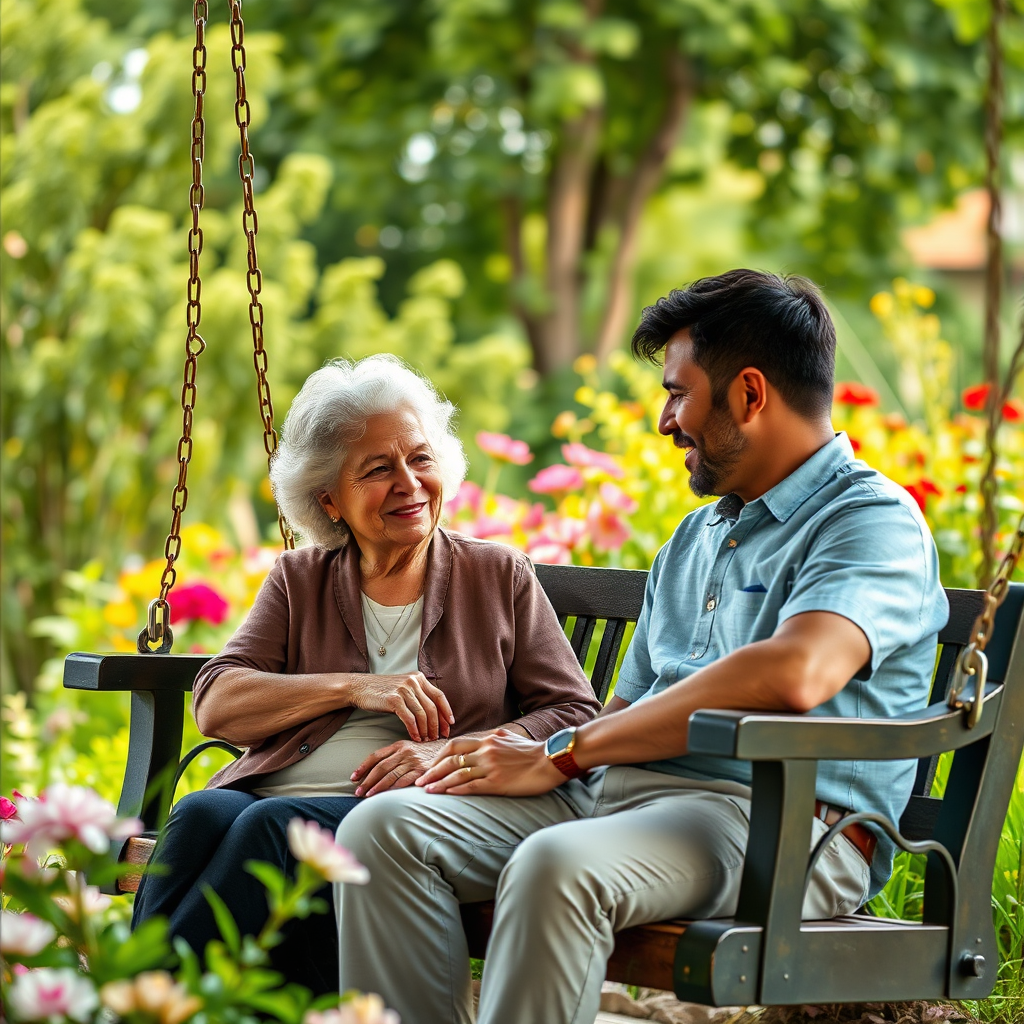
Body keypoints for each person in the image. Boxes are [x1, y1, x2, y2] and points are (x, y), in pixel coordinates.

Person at [334, 270, 950, 1024]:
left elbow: (798, 670)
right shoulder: (697, 536)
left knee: (558, 867)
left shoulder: (869, 519)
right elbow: (628, 704)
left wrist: (564, 753)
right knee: (380, 831)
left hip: (778, 826)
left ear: (750, 395)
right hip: (622, 799)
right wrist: (524, 760)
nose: (665, 419)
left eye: (678, 392)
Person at [131, 354, 600, 993]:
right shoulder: (301, 579)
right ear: (330, 499)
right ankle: (157, 999)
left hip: (404, 816)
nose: (408, 482)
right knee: (202, 813)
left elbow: (574, 715)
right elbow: (217, 703)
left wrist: (445, 753)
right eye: (378, 469)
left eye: (420, 458)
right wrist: (355, 686)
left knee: (269, 829)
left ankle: (140, 1000)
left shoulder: (496, 575)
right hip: (276, 800)